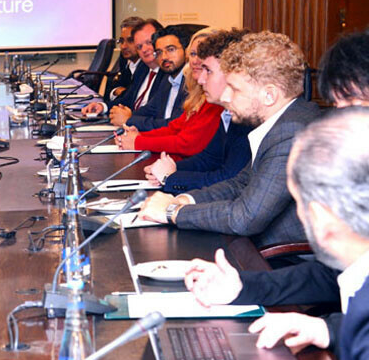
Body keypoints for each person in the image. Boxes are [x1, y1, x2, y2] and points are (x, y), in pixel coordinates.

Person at [184, 108, 369, 360]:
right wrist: (324, 327)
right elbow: (327, 277)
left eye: (297, 203)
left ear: (320, 218)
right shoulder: (356, 272)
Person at [138, 31, 320, 248]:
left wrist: (173, 212)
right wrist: (186, 199)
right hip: (251, 244)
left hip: (280, 257)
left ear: (269, 95)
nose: (225, 97)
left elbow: (245, 217)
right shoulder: (282, 122)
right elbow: (239, 183)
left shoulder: (289, 133)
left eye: (234, 89)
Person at [143, 29, 252, 193]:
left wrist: (170, 177)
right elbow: (209, 159)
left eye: (208, 71)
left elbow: (229, 179)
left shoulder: (248, 119)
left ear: (232, 73)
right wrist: (170, 168)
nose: (201, 80)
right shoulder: (228, 112)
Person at [115, 28, 221, 158]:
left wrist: (138, 141)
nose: (195, 60)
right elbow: (174, 127)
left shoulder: (216, 97)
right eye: (193, 54)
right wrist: (139, 135)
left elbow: (187, 143)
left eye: (170, 49)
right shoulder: (191, 89)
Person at [81, 19, 165, 118]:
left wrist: (130, 118)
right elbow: (127, 100)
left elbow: (155, 113)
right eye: (139, 46)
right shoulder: (143, 68)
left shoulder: (167, 74)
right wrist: (102, 107)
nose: (144, 49)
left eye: (149, 42)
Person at [111, 26, 190, 130]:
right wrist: (121, 115)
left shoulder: (193, 83)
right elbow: (150, 109)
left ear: (187, 51)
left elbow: (175, 125)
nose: (164, 57)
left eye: (171, 49)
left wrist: (129, 120)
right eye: (159, 52)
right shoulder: (167, 80)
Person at [103, 16, 144, 102]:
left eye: (130, 40)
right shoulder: (124, 58)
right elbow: (111, 90)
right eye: (121, 41)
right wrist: (115, 91)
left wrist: (123, 92)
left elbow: (132, 96)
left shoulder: (147, 65)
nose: (123, 46)